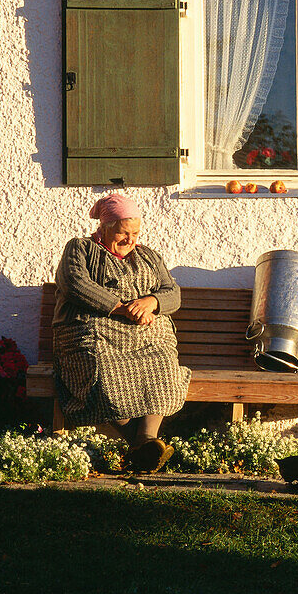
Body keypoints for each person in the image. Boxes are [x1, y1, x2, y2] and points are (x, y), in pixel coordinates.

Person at [52, 193, 190, 472]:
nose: (131, 240)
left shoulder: (149, 256)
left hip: (147, 335)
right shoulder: (80, 249)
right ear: (104, 228)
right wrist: (120, 307)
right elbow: (75, 284)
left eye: (135, 233)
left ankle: (145, 444)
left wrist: (152, 302)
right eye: (123, 234)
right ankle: (146, 445)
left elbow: (172, 292)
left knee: (164, 366)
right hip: (93, 331)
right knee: (102, 373)